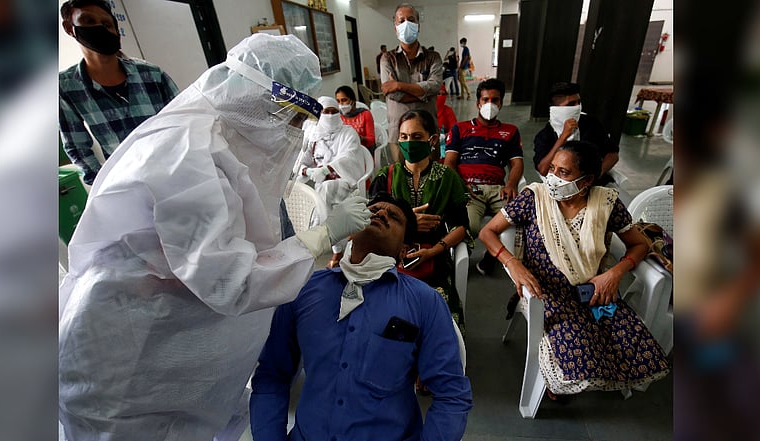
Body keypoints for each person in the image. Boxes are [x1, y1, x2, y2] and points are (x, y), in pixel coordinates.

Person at [58, 34, 373, 441]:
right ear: (262, 97)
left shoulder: (216, 138)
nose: (294, 129)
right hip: (127, 372)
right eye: (292, 116)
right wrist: (323, 234)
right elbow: (231, 281)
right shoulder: (184, 152)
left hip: (167, 359)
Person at [250, 192, 473, 441]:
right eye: (374, 209)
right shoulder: (305, 289)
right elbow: (272, 374)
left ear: (404, 250)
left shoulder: (425, 302)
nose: (380, 213)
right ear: (350, 229)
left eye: (394, 217)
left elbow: (452, 395)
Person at [478, 140, 670, 399]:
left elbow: (639, 244)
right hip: (547, 293)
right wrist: (513, 263)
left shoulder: (606, 203)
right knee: (579, 360)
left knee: (635, 347)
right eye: (553, 169)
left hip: (594, 292)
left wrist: (615, 273)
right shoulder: (535, 197)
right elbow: (487, 232)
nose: (553, 177)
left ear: (587, 179)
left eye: (564, 172)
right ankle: (564, 373)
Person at [370, 109, 469, 334]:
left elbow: (460, 227)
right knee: (387, 315)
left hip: (433, 256)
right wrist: (407, 221)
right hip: (390, 258)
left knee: (441, 315)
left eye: (416, 137)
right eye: (404, 137)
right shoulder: (386, 177)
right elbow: (372, 222)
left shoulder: (447, 178)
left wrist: (433, 251)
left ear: (432, 140)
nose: (409, 143)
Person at [59, 0, 179, 185]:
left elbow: (183, 119)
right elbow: (77, 146)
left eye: (107, 24)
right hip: (127, 181)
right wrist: (106, 185)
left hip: (174, 167)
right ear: (70, 28)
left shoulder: (152, 74)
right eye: (88, 21)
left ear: (115, 30)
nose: (99, 28)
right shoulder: (67, 87)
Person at [444, 78, 524, 276]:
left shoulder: (510, 132)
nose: (490, 104)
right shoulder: (460, 129)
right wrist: (461, 187)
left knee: (519, 222)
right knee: (467, 225)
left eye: (495, 100)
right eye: (485, 99)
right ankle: (460, 264)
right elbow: (449, 163)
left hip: (499, 189)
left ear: (501, 103)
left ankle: (490, 259)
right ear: (478, 103)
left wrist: (512, 184)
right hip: (470, 188)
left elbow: (516, 163)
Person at [297, 96, 370, 267]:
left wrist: (326, 169)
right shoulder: (313, 135)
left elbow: (350, 157)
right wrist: (308, 171)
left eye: (333, 111)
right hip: (319, 184)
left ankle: (320, 242)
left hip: (344, 180)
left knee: (326, 192)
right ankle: (334, 245)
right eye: (325, 111)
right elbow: (300, 161)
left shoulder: (348, 132)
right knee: (315, 193)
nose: (330, 115)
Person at [380, 3, 442, 163]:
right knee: (402, 178)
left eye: (411, 19)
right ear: (395, 28)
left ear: (418, 26)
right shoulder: (387, 58)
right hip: (398, 133)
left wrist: (399, 85)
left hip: (428, 132)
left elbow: (435, 86)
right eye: (401, 21)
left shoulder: (433, 57)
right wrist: (423, 94)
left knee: (431, 177)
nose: (406, 24)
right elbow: (392, 93)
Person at [534, 82, 620, 186]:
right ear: (557, 109)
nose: (577, 107)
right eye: (571, 104)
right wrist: (563, 138)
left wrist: (597, 173)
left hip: (594, 183)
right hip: (560, 185)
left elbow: (613, 154)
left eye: (578, 102)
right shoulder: (544, 136)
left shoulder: (591, 124)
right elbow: (543, 169)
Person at [335, 85, 376, 152]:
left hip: (363, 151)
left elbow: (371, 140)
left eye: (344, 100)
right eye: (338, 101)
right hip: (345, 151)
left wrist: (359, 138)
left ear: (352, 100)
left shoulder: (364, 114)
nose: (341, 104)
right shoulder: (339, 116)